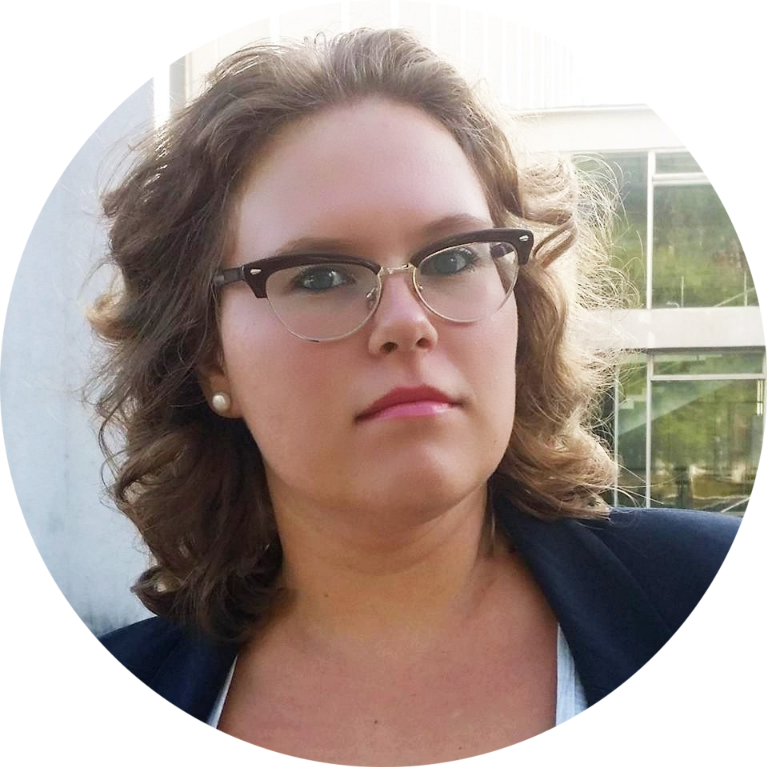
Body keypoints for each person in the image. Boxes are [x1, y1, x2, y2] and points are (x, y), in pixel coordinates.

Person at [92, 28, 741, 763]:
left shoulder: (697, 584)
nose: (407, 322)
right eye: (321, 276)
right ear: (211, 359)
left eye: (454, 259)